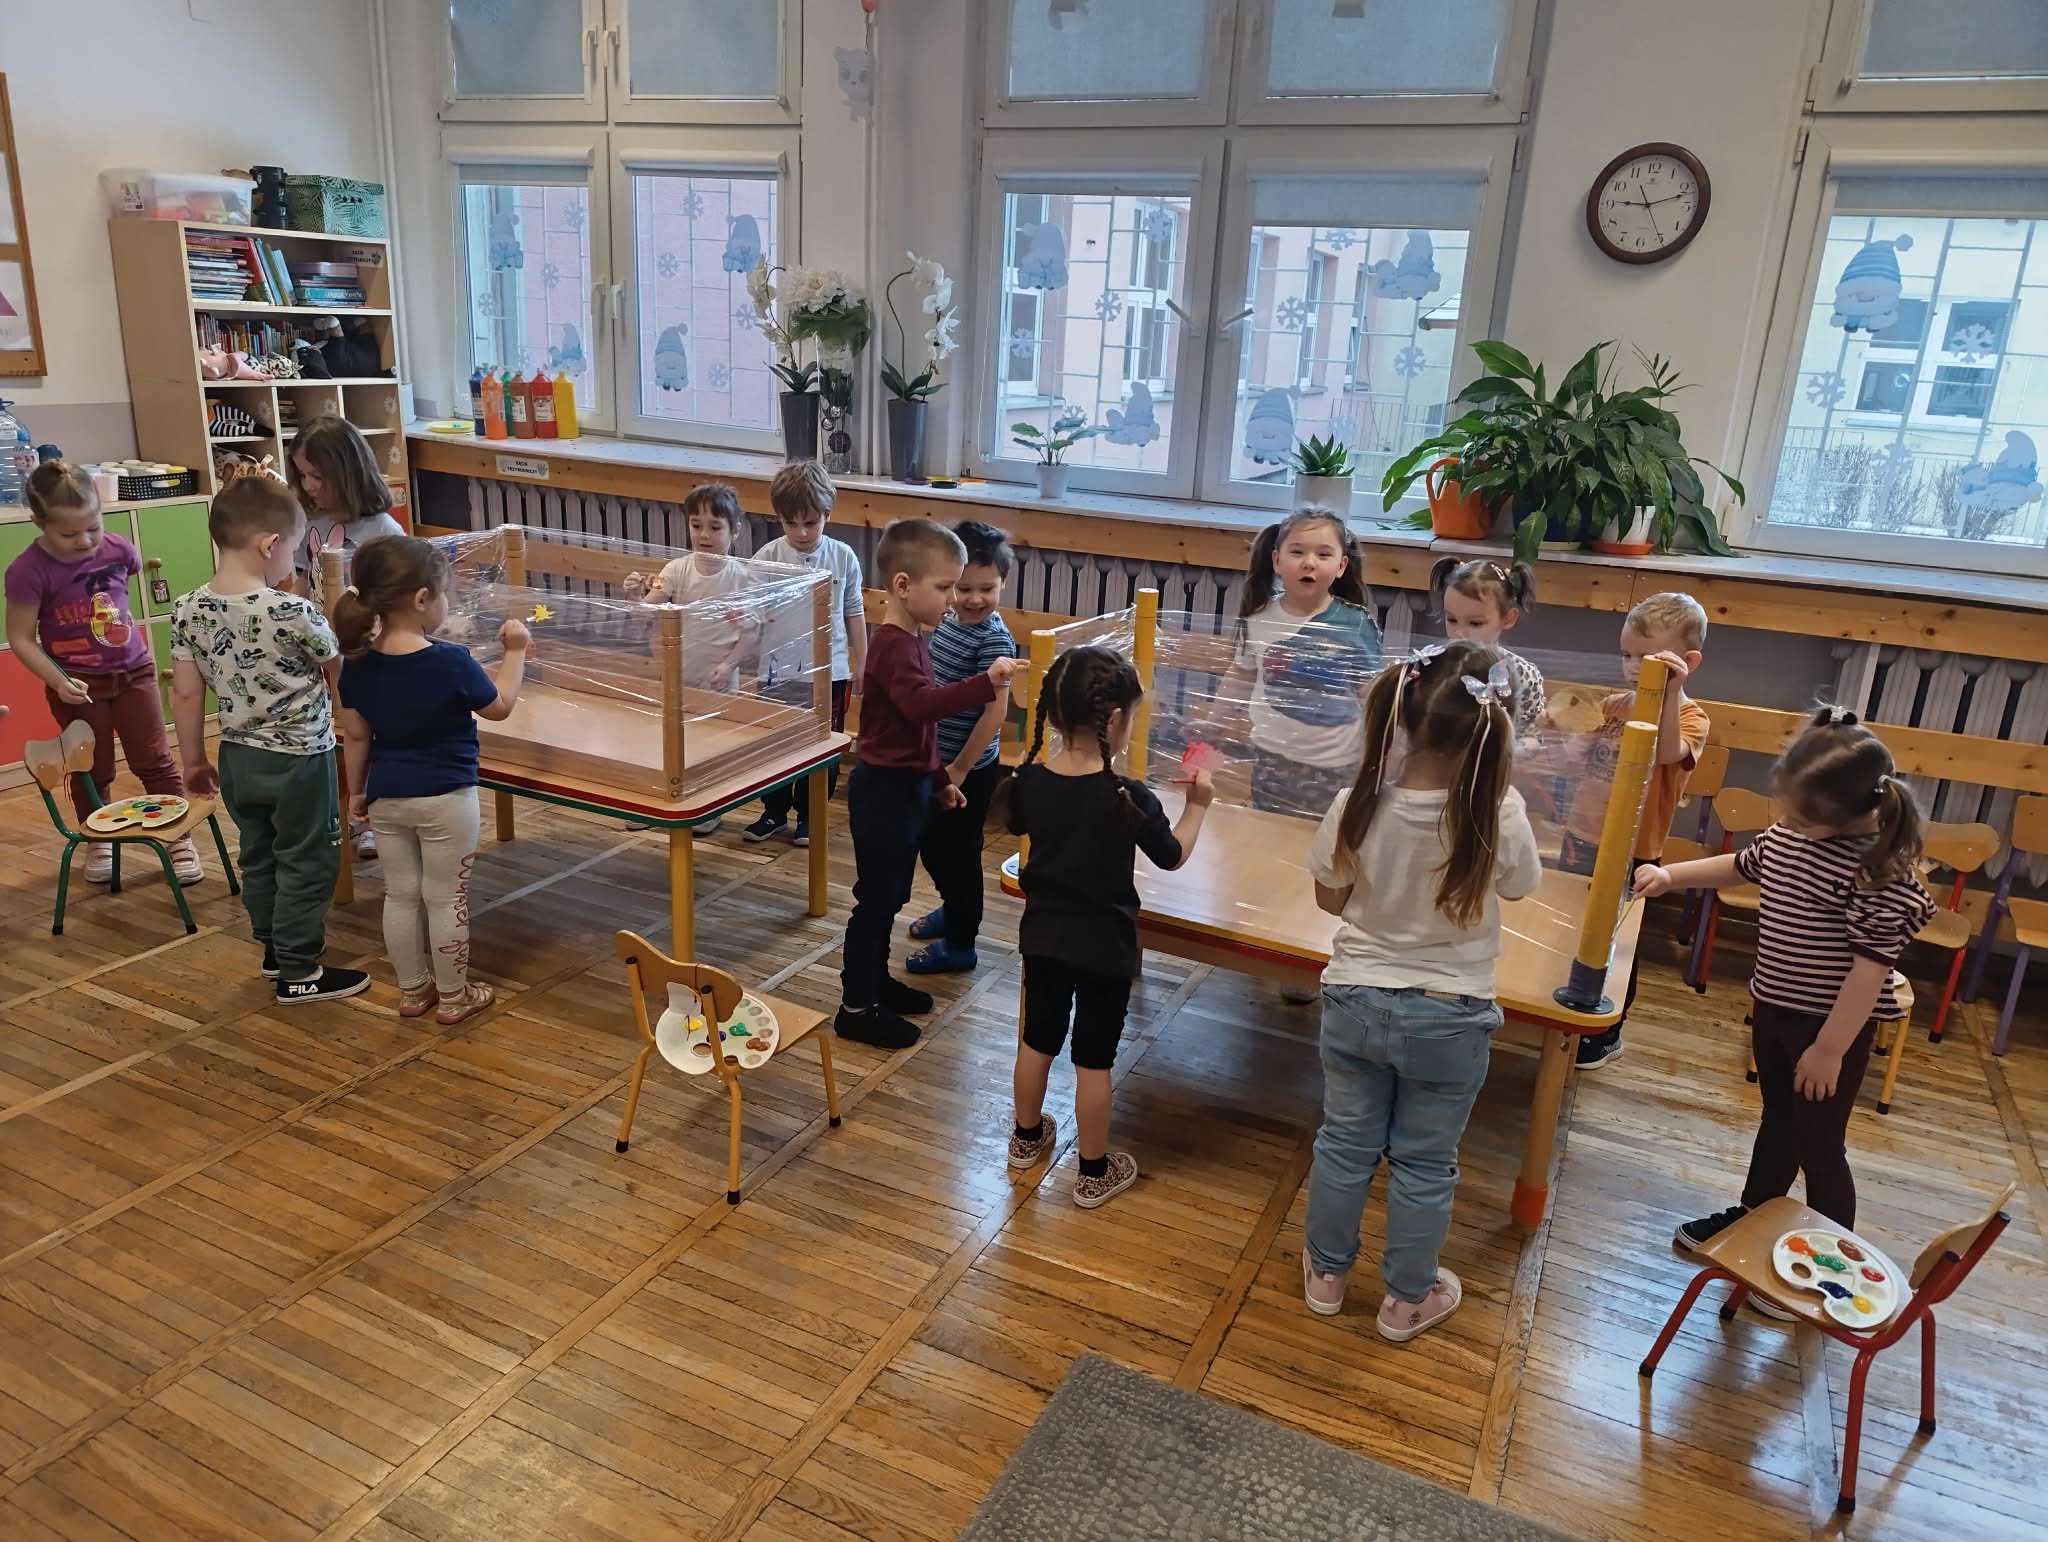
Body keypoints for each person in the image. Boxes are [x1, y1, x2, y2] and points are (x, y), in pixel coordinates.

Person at [1637, 709, 1932, 1291]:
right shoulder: (1793, 836)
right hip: (1774, 1010)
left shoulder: (1878, 875)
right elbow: (1741, 865)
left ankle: (1834, 1268)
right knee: (1777, 1122)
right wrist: (1671, 876)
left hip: (1827, 1033)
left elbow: (1869, 974)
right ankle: (1754, 1220)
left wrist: (1829, 1050)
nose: (1787, 824)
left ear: (1847, 814)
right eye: (1787, 812)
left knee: (1819, 1148)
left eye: (1800, 817)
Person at [1300, 642, 1540, 1341]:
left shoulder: (1355, 804)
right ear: (1489, 731)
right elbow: (1520, 887)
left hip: (1355, 998)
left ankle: (1325, 1276)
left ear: (1400, 716)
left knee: (1344, 1144)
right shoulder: (1499, 812)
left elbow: (1328, 897)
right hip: (1451, 1015)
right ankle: (1406, 1300)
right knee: (1425, 1163)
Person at [1006, 645, 1212, 1210]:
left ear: (1052, 713)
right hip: (1104, 948)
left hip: (1042, 939)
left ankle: (1025, 1139)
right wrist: (1198, 807)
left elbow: (1020, 821)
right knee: (1093, 1062)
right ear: (1116, 719)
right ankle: (1093, 1172)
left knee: (1036, 1041)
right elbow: (1172, 855)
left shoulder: (1030, 781)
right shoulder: (1127, 796)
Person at [170, 477, 368, 1003]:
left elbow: (185, 694)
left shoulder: (188, 608)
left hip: (236, 756)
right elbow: (340, 668)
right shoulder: (292, 612)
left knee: (258, 854)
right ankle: (300, 969)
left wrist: (193, 760)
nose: (292, 562)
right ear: (269, 545)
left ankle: (274, 951)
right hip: (299, 760)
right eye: (294, 549)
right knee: (308, 858)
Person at [335, 537, 530, 1026]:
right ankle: (454, 997)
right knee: (446, 900)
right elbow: (500, 707)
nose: (448, 603)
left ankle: (413, 991)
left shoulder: (356, 664)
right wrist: (516, 651)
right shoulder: (451, 661)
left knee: (400, 895)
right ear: (422, 599)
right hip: (447, 799)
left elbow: (356, 735)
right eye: (445, 593)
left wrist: (358, 790)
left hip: (387, 797)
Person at [837, 520, 1015, 1049]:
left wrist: (939, 779)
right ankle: (856, 1008)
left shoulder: (914, 639)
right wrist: (985, 683)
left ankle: (876, 985)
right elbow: (920, 707)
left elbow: (917, 733)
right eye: (944, 588)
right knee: (876, 901)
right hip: (884, 794)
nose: (953, 599)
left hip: (908, 787)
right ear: (902, 585)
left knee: (891, 896)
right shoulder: (892, 646)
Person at [5, 461, 202, 886]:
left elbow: (121, 593)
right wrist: (58, 680)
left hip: (135, 673)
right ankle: (99, 840)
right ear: (39, 523)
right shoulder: (27, 571)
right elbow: (20, 637)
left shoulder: (118, 549)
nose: (85, 541)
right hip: (78, 685)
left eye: (93, 527)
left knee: (155, 761)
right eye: (68, 534)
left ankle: (178, 837)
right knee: (91, 769)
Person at [1560, 591, 1712, 1070]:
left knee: (1616, 943)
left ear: (1686, 663)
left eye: (1645, 659)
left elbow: (1665, 753)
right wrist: (1561, 733)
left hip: (1634, 853)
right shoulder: (1612, 706)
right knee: (1571, 929)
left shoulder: (1690, 717)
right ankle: (1567, 1011)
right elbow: (1574, 762)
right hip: (1582, 836)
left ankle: (1605, 1032)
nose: (1630, 667)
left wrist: (1665, 695)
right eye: (1626, 655)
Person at [290, 414, 405, 862]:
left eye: (317, 476)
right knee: (336, 734)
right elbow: (301, 582)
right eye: (302, 475)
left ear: (347, 472)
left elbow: (396, 601)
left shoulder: (383, 531)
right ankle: (341, 811)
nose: (308, 486)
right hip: (321, 652)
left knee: (367, 733)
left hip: (364, 654)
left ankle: (372, 817)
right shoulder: (309, 523)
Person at [905, 520, 1017, 975]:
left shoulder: (994, 639)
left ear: (1003, 582)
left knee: (958, 857)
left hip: (967, 771)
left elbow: (994, 714)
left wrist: (959, 769)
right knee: (934, 848)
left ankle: (961, 943)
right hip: (938, 763)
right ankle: (953, 909)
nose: (973, 599)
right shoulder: (950, 619)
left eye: (986, 589)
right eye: (963, 588)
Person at [1220, 507, 1383, 819]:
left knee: (1323, 837)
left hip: (1334, 762)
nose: (1309, 563)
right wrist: (1214, 723)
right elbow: (1241, 674)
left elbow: (1371, 692)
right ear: (1277, 561)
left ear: (1341, 566)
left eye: (1324, 555)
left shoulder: (1356, 623)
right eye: (1297, 552)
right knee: (1270, 830)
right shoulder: (1258, 618)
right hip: (1271, 757)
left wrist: (1385, 747)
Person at [745, 461, 867, 847]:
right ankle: (774, 812)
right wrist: (752, 616)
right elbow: (751, 610)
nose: (801, 533)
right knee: (773, 744)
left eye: (811, 523)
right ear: (778, 517)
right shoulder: (765, 557)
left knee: (822, 745)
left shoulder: (843, 556)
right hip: (778, 673)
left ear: (827, 514)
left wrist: (863, 663)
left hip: (830, 674)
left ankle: (810, 816)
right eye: (791, 523)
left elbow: (853, 611)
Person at [624, 482, 752, 835]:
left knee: (711, 743)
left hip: (718, 680)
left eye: (715, 527)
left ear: (734, 531)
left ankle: (710, 808)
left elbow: (750, 634)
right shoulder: (675, 570)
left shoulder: (742, 577)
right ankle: (657, 803)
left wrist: (729, 665)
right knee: (667, 740)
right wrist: (633, 597)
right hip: (676, 674)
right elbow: (644, 613)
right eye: (696, 525)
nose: (704, 535)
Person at [1430, 556, 1545, 735]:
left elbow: (1531, 736)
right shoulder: (1430, 667)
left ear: (1508, 618)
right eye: (1451, 619)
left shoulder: (1524, 676)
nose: (1459, 633)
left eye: (1475, 623)